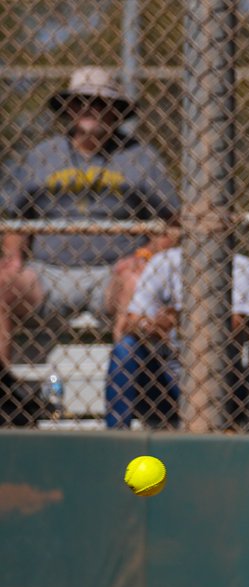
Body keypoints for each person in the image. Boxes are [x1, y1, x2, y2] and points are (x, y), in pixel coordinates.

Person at [1, 67, 179, 409]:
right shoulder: (43, 155)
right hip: (47, 272)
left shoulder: (139, 158)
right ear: (68, 109)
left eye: (100, 103)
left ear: (116, 112)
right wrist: (12, 254)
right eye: (81, 102)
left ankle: (126, 403)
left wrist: (144, 255)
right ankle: (3, 400)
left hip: (111, 273)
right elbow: (15, 215)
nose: (90, 110)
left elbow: (172, 223)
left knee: (137, 282)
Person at [105, 247, 249, 430]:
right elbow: (131, 321)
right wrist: (151, 326)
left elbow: (237, 323)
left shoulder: (240, 266)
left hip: (219, 380)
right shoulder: (164, 261)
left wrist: (181, 318)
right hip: (168, 380)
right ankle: (117, 439)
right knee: (125, 349)